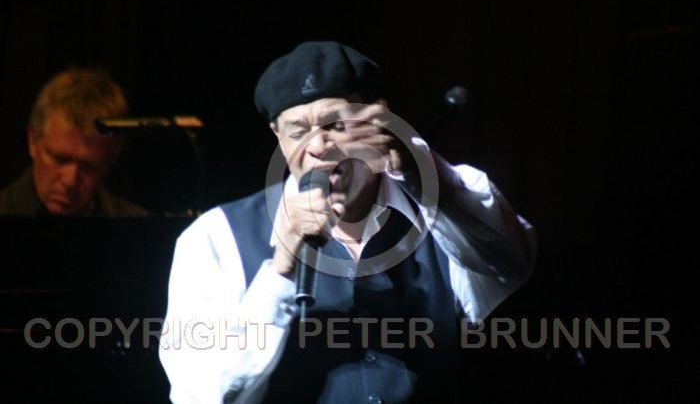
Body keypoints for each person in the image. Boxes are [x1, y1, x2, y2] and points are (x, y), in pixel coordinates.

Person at [159, 41, 537, 403]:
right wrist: (280, 271)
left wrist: (424, 173)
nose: (317, 146)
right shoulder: (216, 235)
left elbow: (512, 263)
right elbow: (199, 392)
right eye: (298, 131)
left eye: (336, 125)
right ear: (277, 135)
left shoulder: (447, 203)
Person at [0, 66, 146, 216]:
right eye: (59, 159)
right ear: (32, 141)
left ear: (111, 161)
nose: (70, 181)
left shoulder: (137, 224)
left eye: (89, 166)